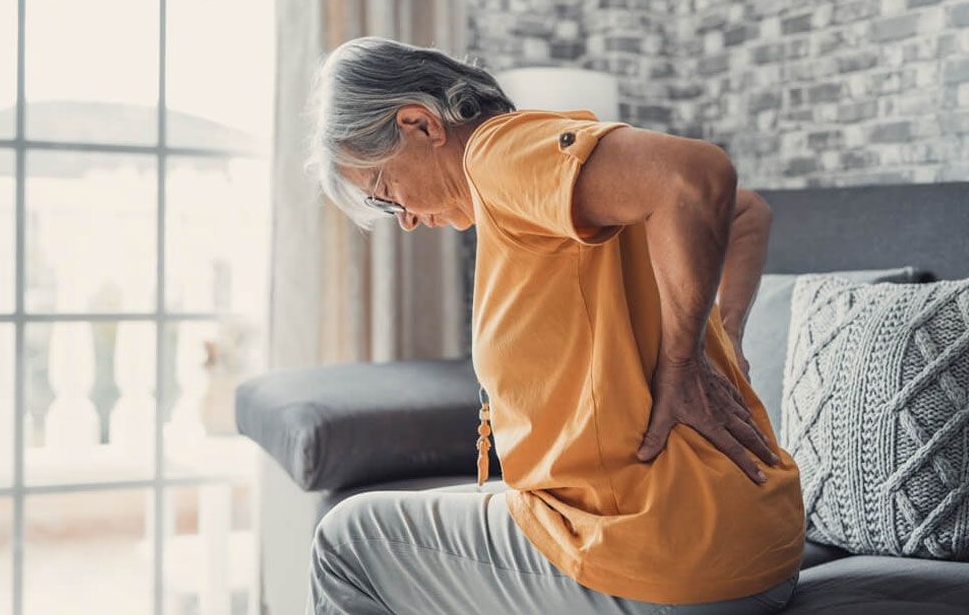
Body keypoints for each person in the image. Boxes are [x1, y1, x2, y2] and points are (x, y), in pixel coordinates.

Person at [299, 36, 804, 614]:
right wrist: (728, 339)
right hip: (757, 546)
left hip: (667, 562)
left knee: (347, 540)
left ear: (420, 123)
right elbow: (746, 213)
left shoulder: (497, 154)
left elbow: (698, 174)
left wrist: (686, 363)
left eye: (386, 193)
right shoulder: (561, 180)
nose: (407, 221)